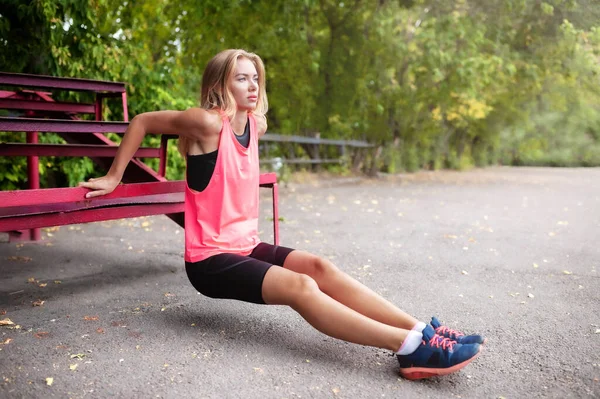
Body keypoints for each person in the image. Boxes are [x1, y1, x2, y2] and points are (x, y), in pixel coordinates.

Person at [79, 49, 485, 380]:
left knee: (318, 266)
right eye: (241, 78)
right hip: (209, 260)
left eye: (255, 77)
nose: (252, 85)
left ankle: (420, 331)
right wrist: (115, 177)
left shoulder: (255, 123)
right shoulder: (204, 123)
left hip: (245, 245)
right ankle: (411, 349)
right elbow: (144, 120)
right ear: (220, 84)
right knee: (301, 288)